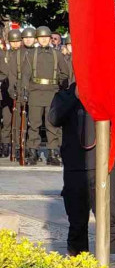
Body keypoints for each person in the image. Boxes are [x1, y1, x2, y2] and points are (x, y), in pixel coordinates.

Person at [49, 83, 115, 255]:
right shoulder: (66, 95)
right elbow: (54, 119)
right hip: (76, 167)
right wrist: (75, 97)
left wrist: (105, 99)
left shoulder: (108, 91)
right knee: (77, 224)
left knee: (108, 223)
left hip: (104, 167)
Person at [24, 26, 71, 166]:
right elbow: (26, 75)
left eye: (46, 37)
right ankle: (33, 152)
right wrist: (25, 90)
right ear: (37, 39)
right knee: (34, 124)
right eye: (41, 37)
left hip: (52, 92)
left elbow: (65, 73)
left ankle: (53, 153)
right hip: (35, 92)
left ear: (50, 38)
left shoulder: (57, 55)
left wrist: (60, 88)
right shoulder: (31, 54)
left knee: (52, 125)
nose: (44, 39)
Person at [3, 29, 24, 161]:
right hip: (5, 90)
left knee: (17, 120)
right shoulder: (5, 55)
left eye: (17, 41)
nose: (15, 44)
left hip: (18, 89)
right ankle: (5, 144)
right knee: (6, 120)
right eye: (13, 42)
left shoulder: (24, 54)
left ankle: (16, 145)